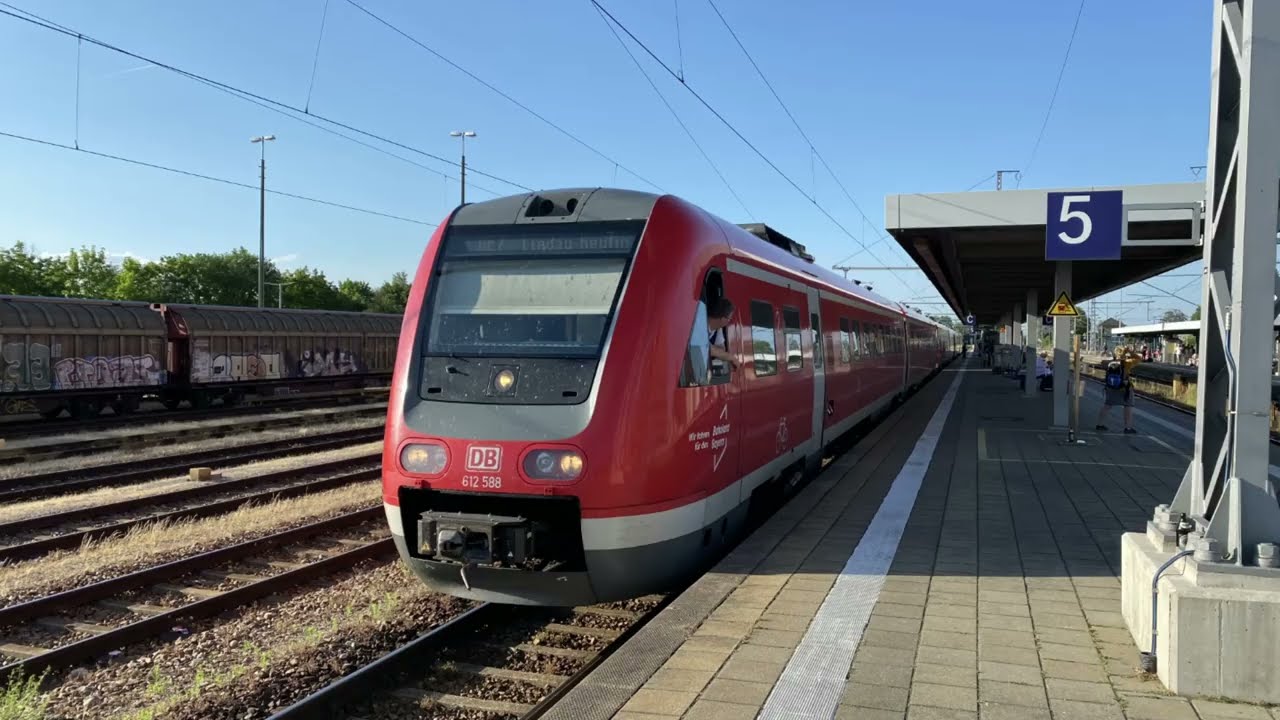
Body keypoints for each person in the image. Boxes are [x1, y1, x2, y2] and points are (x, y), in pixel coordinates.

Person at [1096, 346, 1140, 434]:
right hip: (1124, 388)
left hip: (1111, 387)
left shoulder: (1109, 363)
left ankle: (1099, 424)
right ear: (1124, 353)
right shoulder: (1128, 363)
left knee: (1107, 405)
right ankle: (1128, 428)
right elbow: (1138, 358)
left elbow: (1102, 364)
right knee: (1128, 406)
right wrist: (1130, 352)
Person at [706, 298, 738, 372]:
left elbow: (722, 349)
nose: (729, 322)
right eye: (729, 319)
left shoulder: (717, 329)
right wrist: (731, 357)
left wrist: (713, 349)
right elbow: (705, 347)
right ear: (723, 319)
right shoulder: (699, 325)